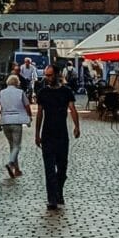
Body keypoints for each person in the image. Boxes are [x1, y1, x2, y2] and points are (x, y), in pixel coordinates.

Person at [34, 63, 80, 213]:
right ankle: (52, 199)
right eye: (46, 75)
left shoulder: (66, 91)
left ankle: (59, 191)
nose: (46, 78)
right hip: (47, 135)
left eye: (49, 75)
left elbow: (72, 109)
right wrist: (37, 133)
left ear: (57, 75)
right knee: (49, 169)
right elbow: (40, 113)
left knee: (62, 167)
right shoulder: (42, 93)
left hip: (62, 135)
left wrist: (76, 126)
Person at [0, 72, 32, 179]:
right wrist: (29, 116)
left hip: (5, 122)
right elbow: (27, 106)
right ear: (17, 83)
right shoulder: (20, 92)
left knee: (12, 145)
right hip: (17, 122)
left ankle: (16, 170)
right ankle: (11, 162)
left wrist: (2, 113)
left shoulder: (2, 92)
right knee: (17, 145)